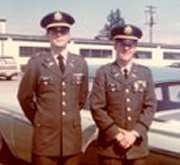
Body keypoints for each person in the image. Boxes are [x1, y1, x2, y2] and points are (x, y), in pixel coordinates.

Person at [17, 10, 88, 165]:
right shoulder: (36, 63)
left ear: (69, 35)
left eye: (63, 31)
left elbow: (81, 98)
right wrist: (40, 119)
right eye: (53, 31)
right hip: (45, 140)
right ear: (47, 35)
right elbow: (24, 97)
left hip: (71, 139)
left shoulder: (80, 63)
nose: (58, 35)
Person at [90, 24, 157, 165]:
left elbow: (150, 106)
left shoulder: (145, 73)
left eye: (130, 44)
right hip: (110, 148)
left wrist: (135, 133)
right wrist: (117, 134)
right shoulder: (104, 72)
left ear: (135, 47)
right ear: (115, 45)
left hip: (137, 147)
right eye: (121, 44)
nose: (126, 48)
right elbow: (97, 107)